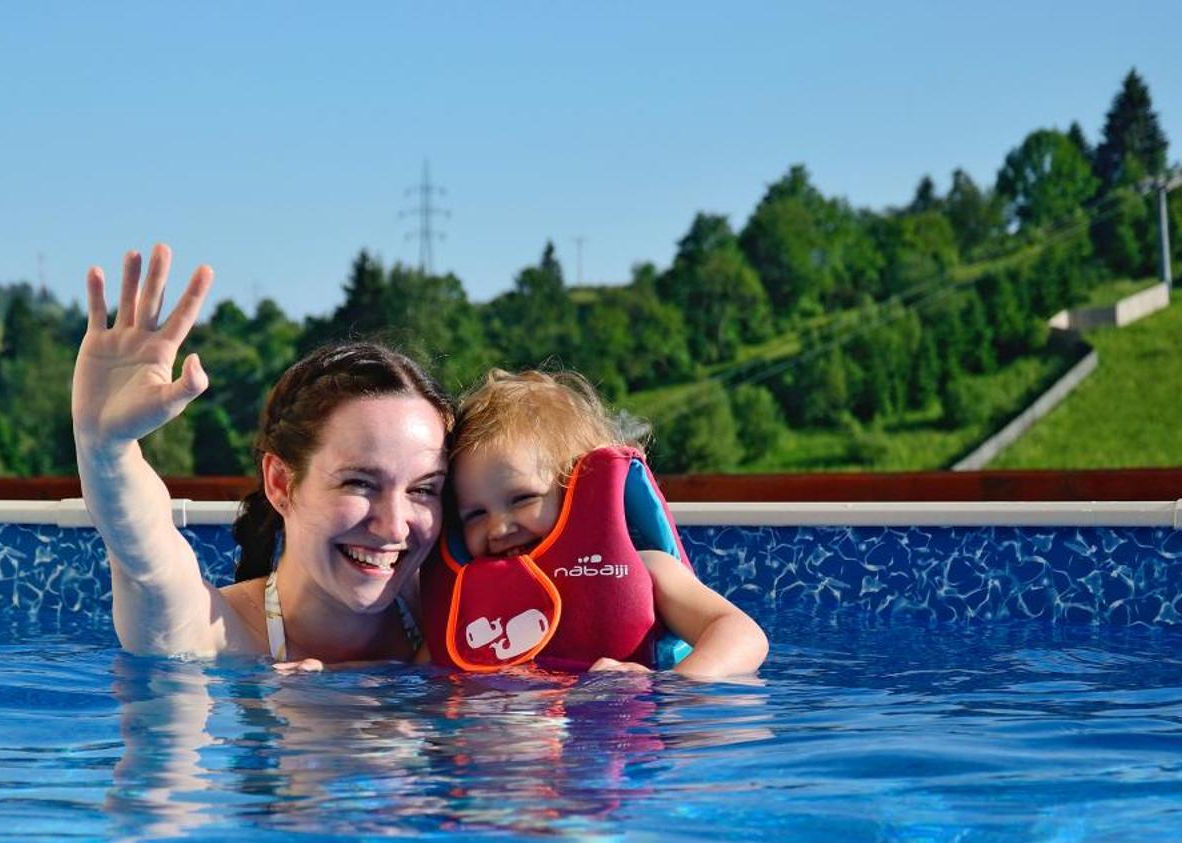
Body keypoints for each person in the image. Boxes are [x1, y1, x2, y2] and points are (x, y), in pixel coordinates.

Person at [72, 244, 449, 665]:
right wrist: (106, 452)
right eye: (360, 483)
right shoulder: (213, 635)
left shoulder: (457, 623)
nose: (394, 525)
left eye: (423, 490)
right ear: (281, 483)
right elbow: (147, 563)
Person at [428, 369, 768, 679]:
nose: (499, 528)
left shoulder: (649, 568)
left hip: (630, 728)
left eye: (522, 499)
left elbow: (741, 633)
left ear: (577, 490)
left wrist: (677, 685)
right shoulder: (469, 598)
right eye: (475, 514)